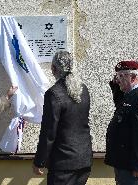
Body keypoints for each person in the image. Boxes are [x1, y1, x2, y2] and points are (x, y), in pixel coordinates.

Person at [32, 51, 92, 185]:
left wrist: (39, 161)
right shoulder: (84, 89)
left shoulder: (53, 93)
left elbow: (49, 132)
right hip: (84, 159)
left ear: (53, 69)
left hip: (63, 164)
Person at [105, 60, 138, 185]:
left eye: (122, 76)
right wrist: (116, 84)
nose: (118, 79)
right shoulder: (129, 95)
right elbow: (120, 103)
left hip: (134, 166)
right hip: (125, 162)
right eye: (117, 76)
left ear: (133, 77)